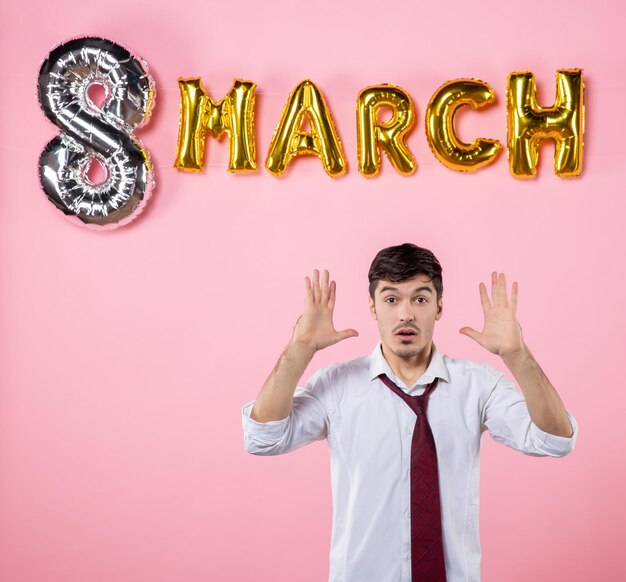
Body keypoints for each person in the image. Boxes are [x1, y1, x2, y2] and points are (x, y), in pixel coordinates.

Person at [241, 243, 577, 582]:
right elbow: (263, 437)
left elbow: (554, 440)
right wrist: (299, 349)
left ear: (439, 307)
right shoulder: (338, 385)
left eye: (420, 299)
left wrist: (517, 356)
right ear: (372, 307)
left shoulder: (478, 385)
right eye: (391, 299)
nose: (406, 314)